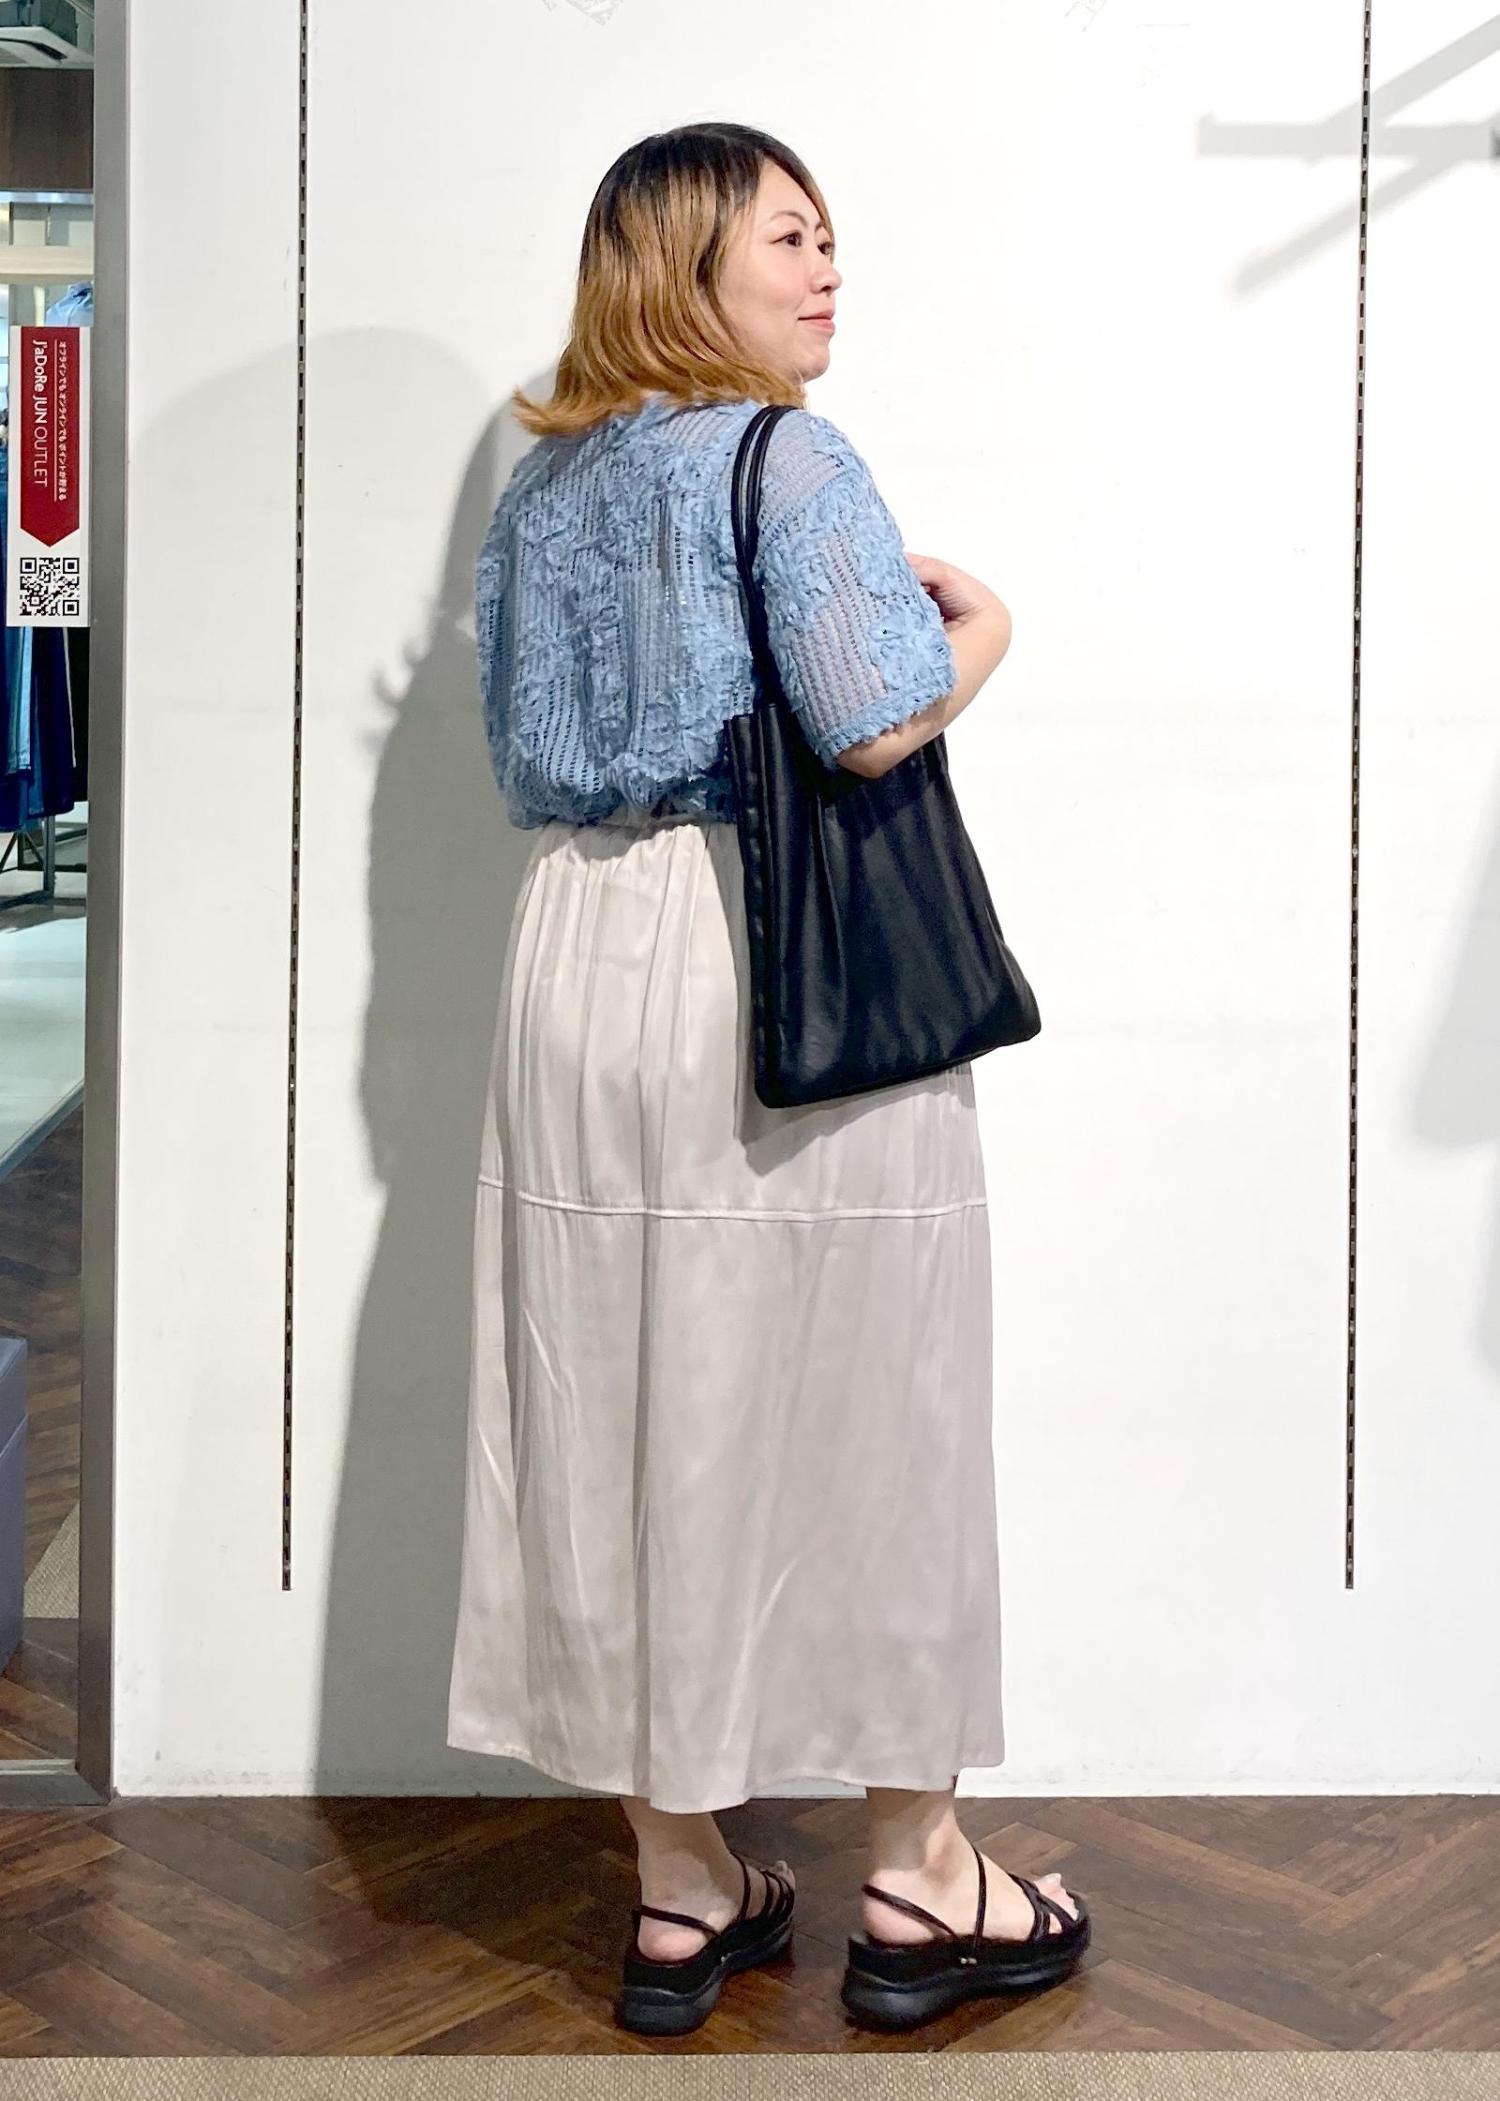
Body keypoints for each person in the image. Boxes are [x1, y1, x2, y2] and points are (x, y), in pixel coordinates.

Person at [445, 120, 1089, 2035]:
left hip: (578, 952)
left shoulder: (542, 487)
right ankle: (919, 1874)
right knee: (875, 1392)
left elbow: (520, 749)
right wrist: (985, 635)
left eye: (830, 239)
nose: (827, 271)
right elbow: (873, 721)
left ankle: (680, 1886)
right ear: (686, 265)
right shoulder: (789, 459)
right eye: (790, 237)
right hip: (775, 961)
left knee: (619, 1396)